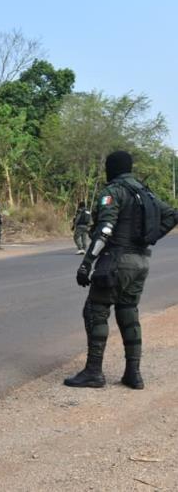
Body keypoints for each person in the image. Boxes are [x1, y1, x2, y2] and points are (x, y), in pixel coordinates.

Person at [65, 150, 177, 389]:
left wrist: (87, 263)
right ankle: (133, 374)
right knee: (128, 312)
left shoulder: (113, 192)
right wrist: (149, 238)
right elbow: (172, 215)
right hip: (141, 262)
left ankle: (94, 371)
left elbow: (104, 229)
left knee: (95, 310)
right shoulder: (144, 192)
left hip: (116, 261)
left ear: (111, 168)